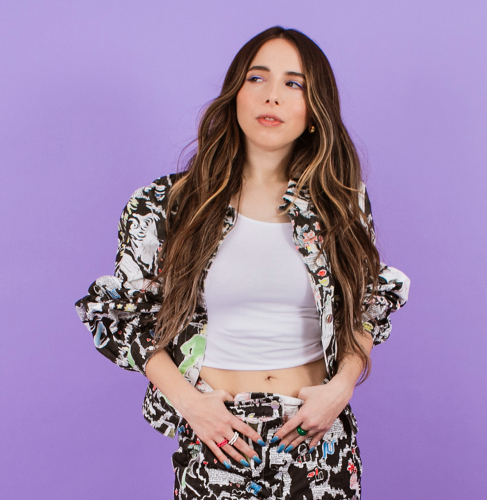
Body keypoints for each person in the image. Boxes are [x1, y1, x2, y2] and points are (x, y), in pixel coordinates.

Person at [75, 26, 410, 500]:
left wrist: (342, 388)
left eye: (293, 83)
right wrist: (190, 404)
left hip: (316, 443)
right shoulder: (167, 204)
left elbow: (367, 306)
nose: (272, 95)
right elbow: (125, 318)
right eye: (257, 78)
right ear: (235, 93)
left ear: (314, 111)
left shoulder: (340, 201)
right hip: (219, 443)